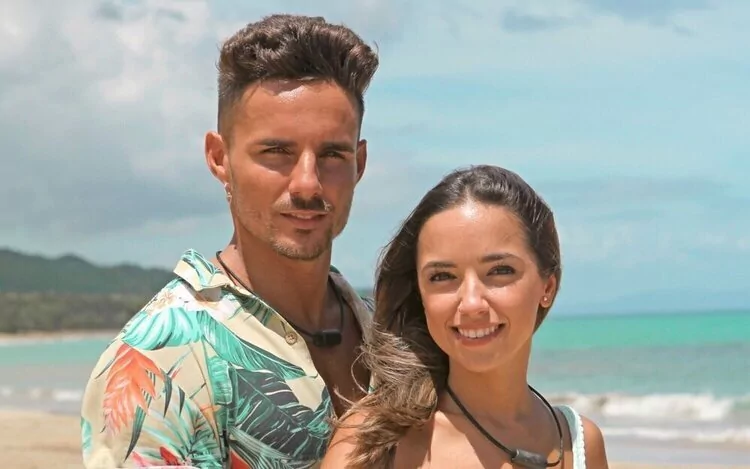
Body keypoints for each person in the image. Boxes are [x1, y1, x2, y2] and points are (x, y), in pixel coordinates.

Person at [80, 13, 379, 468]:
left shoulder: (392, 339)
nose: (307, 183)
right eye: (276, 152)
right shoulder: (162, 361)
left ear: (359, 163)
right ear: (219, 158)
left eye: (332, 154)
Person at [321, 165, 609, 469]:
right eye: (442, 276)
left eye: (499, 271)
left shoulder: (577, 443)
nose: (471, 304)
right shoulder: (372, 443)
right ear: (420, 293)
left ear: (547, 287)